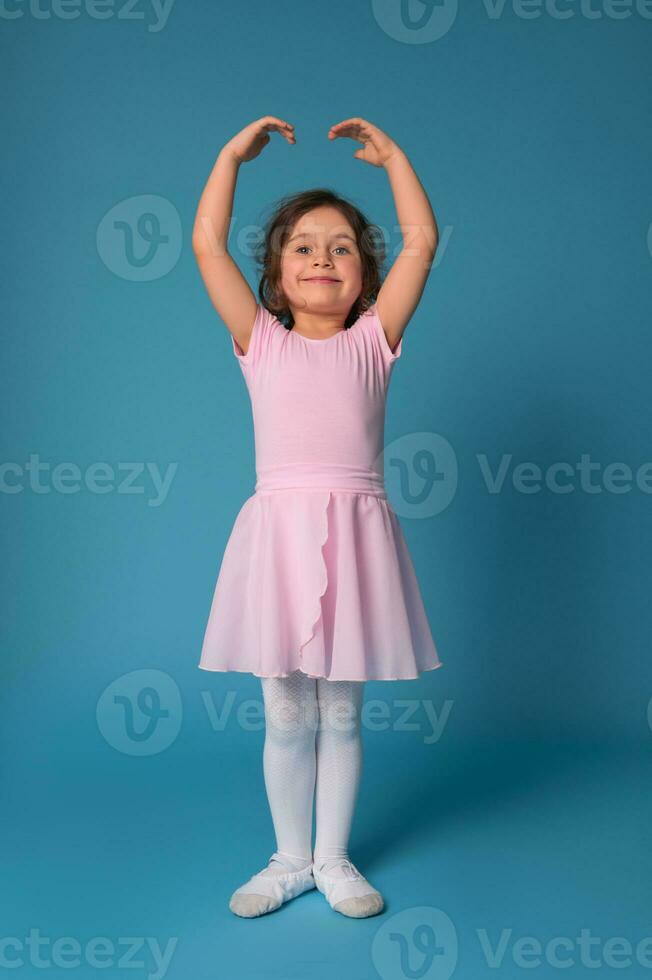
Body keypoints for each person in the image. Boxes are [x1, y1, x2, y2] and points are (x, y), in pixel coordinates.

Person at [192, 116, 443, 919]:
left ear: (364, 274)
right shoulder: (260, 342)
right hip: (280, 539)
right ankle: (287, 858)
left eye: (340, 246)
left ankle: (333, 859)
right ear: (275, 276)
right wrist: (231, 158)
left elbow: (422, 243)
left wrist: (397, 159)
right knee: (285, 709)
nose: (323, 257)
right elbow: (205, 246)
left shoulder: (375, 341)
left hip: (356, 536)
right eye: (303, 246)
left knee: (342, 709)